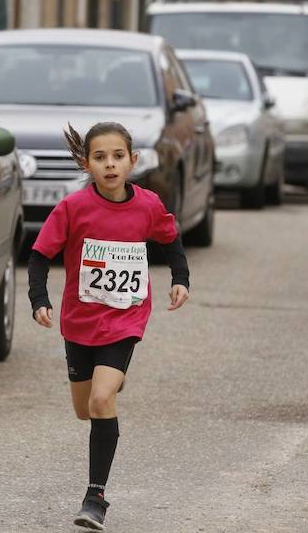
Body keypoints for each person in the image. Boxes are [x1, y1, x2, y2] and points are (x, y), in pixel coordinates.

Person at [27, 122, 191, 530]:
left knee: (101, 401)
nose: (110, 164)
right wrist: (39, 300)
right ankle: (111, 381)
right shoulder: (73, 208)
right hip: (79, 322)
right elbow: (39, 254)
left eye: (118, 156)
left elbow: (171, 239)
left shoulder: (148, 205)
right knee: (85, 409)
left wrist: (181, 279)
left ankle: (95, 497)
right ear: (87, 164)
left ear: (132, 160)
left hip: (125, 318)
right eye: (100, 157)